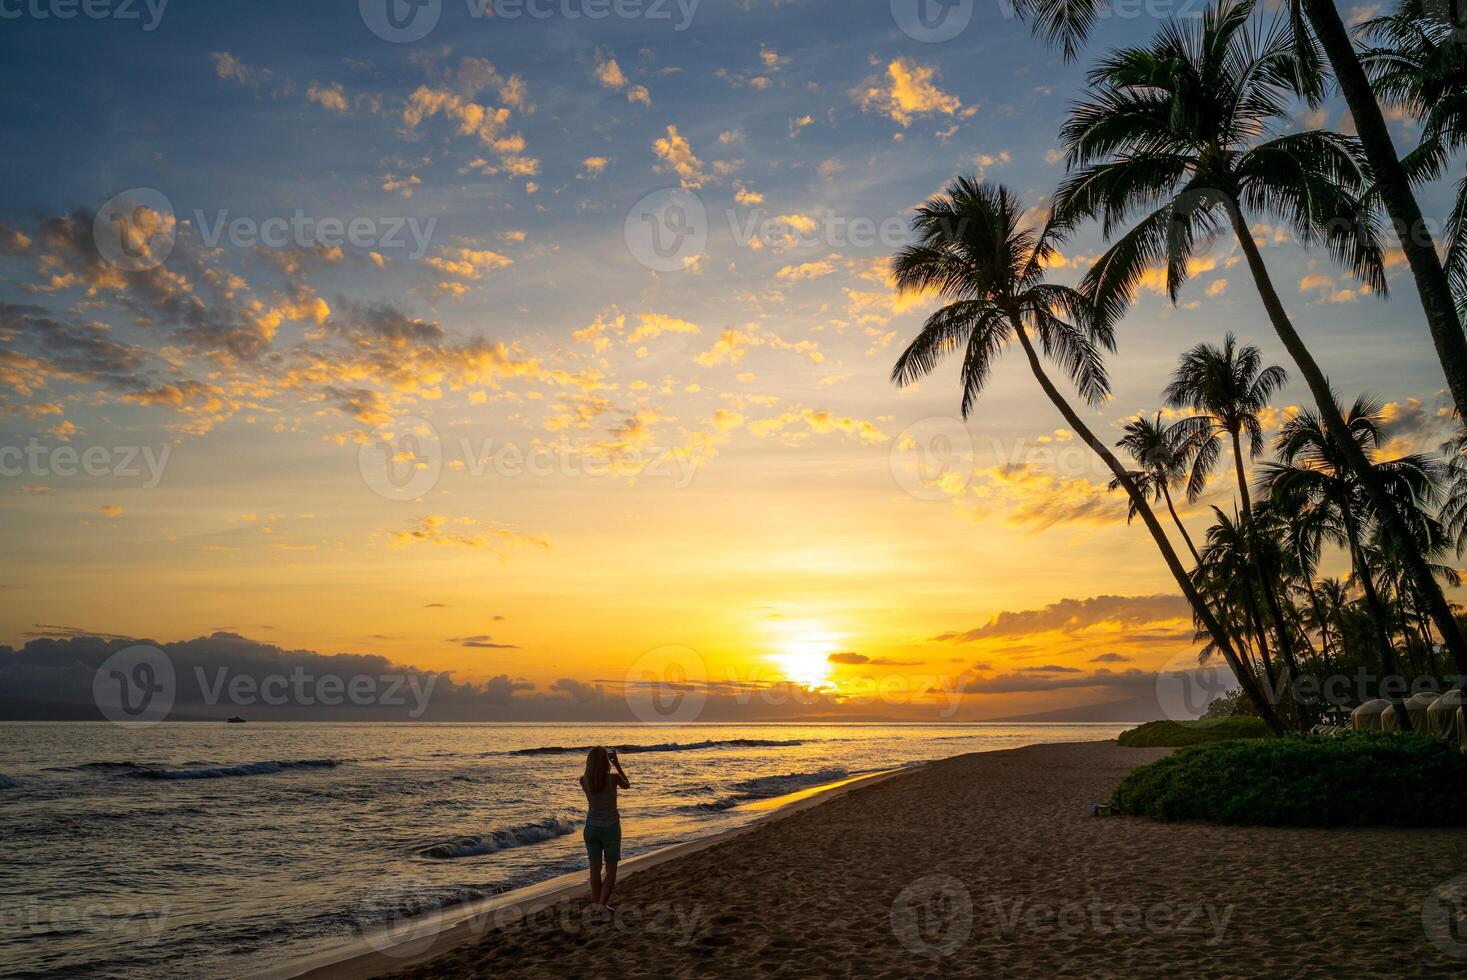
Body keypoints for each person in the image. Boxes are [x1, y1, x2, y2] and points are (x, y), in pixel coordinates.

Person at [579, 745, 629, 912]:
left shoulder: (584, 780)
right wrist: (617, 764)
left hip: (591, 828)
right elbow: (627, 785)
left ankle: (596, 905)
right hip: (611, 828)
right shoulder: (613, 778)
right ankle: (602, 905)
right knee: (611, 870)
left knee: (594, 869)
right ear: (605, 761)